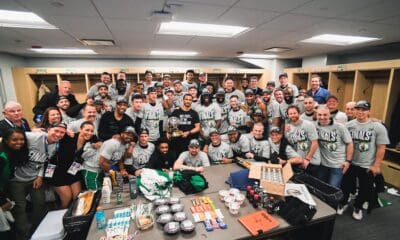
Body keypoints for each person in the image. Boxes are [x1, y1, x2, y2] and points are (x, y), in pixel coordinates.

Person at [9, 123, 66, 239]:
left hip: (34, 178)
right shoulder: (33, 137)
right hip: (16, 179)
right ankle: (24, 234)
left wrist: (40, 176)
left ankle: (37, 229)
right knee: (20, 207)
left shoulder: (56, 145)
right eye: (56, 131)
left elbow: (43, 162)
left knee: (40, 203)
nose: (58, 134)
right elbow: (14, 137)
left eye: (62, 132)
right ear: (48, 130)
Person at [338, 101, 390, 220]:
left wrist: (376, 165)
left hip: (367, 164)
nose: (360, 112)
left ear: (369, 111)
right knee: (345, 185)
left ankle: (358, 206)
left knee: (365, 188)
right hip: (351, 162)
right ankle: (344, 202)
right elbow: (342, 143)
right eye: (358, 109)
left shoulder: (378, 127)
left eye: (363, 110)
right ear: (354, 110)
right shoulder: (349, 125)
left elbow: (381, 147)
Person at [47, 122, 93, 208]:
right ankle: (61, 217)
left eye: (91, 131)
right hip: (57, 172)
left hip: (73, 172)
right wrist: (65, 130)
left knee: (78, 198)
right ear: (80, 130)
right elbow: (54, 131)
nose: (89, 133)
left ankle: (75, 218)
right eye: (87, 130)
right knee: (67, 198)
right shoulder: (69, 136)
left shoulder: (91, 140)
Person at [315, 106, 353, 188]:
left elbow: (349, 143)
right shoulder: (315, 126)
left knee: (333, 189)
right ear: (316, 115)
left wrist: (348, 161)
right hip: (323, 164)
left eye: (325, 115)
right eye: (320, 115)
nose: (322, 117)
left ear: (330, 115)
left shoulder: (340, 127)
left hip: (338, 165)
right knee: (320, 187)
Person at [1, 129, 28, 239]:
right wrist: (2, 201)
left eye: (22, 139)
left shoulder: (11, 152)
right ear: (7, 141)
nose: (19, 142)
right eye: (14, 140)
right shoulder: (2, 156)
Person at [285, 106, 320, 176]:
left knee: (311, 185)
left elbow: (315, 143)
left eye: (294, 113)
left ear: (299, 113)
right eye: (290, 114)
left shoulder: (308, 124)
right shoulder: (288, 128)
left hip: (311, 162)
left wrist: (307, 159)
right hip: (299, 161)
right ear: (288, 115)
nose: (293, 115)